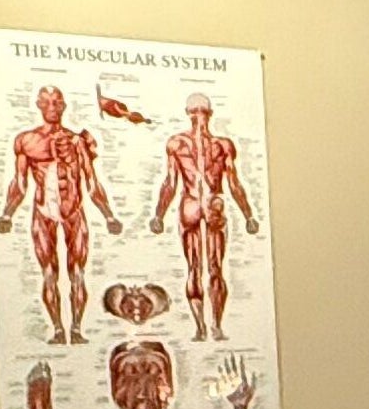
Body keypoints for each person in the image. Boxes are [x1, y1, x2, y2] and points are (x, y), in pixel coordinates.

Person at [108, 88, 261, 341]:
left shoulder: (178, 143)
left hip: (191, 203)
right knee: (215, 268)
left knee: (194, 268)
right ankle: (215, 326)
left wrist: (159, 214)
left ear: (188, 114)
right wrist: (248, 215)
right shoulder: (222, 145)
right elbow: (234, 184)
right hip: (214, 202)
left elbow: (171, 183)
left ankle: (201, 327)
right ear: (209, 114)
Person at [0, 84, 119, 343]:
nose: (52, 107)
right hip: (43, 211)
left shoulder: (76, 141)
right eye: (47, 102)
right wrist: (7, 213)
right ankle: (58, 329)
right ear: (39, 105)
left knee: (77, 272)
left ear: (64, 106)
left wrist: (108, 215)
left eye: (57, 102)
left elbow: (91, 181)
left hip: (73, 210)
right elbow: (19, 182)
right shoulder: (26, 141)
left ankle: (76, 328)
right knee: (49, 272)